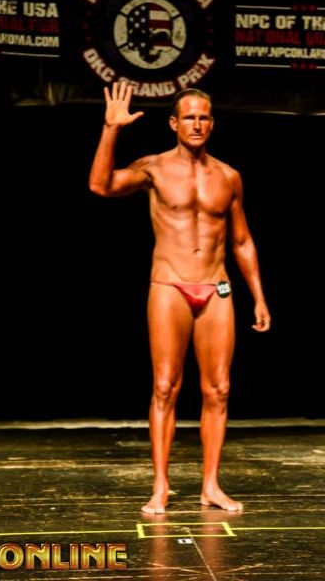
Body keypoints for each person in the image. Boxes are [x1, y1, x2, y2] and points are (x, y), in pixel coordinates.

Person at [89, 81, 271, 514]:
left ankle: (211, 486)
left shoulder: (228, 177)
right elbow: (101, 185)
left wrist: (259, 297)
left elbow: (242, 241)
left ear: (213, 123)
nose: (197, 124)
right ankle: (160, 487)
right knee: (165, 387)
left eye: (204, 117)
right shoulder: (153, 169)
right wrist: (111, 129)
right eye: (189, 117)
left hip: (217, 287)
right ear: (174, 123)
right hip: (169, 286)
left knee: (219, 389)